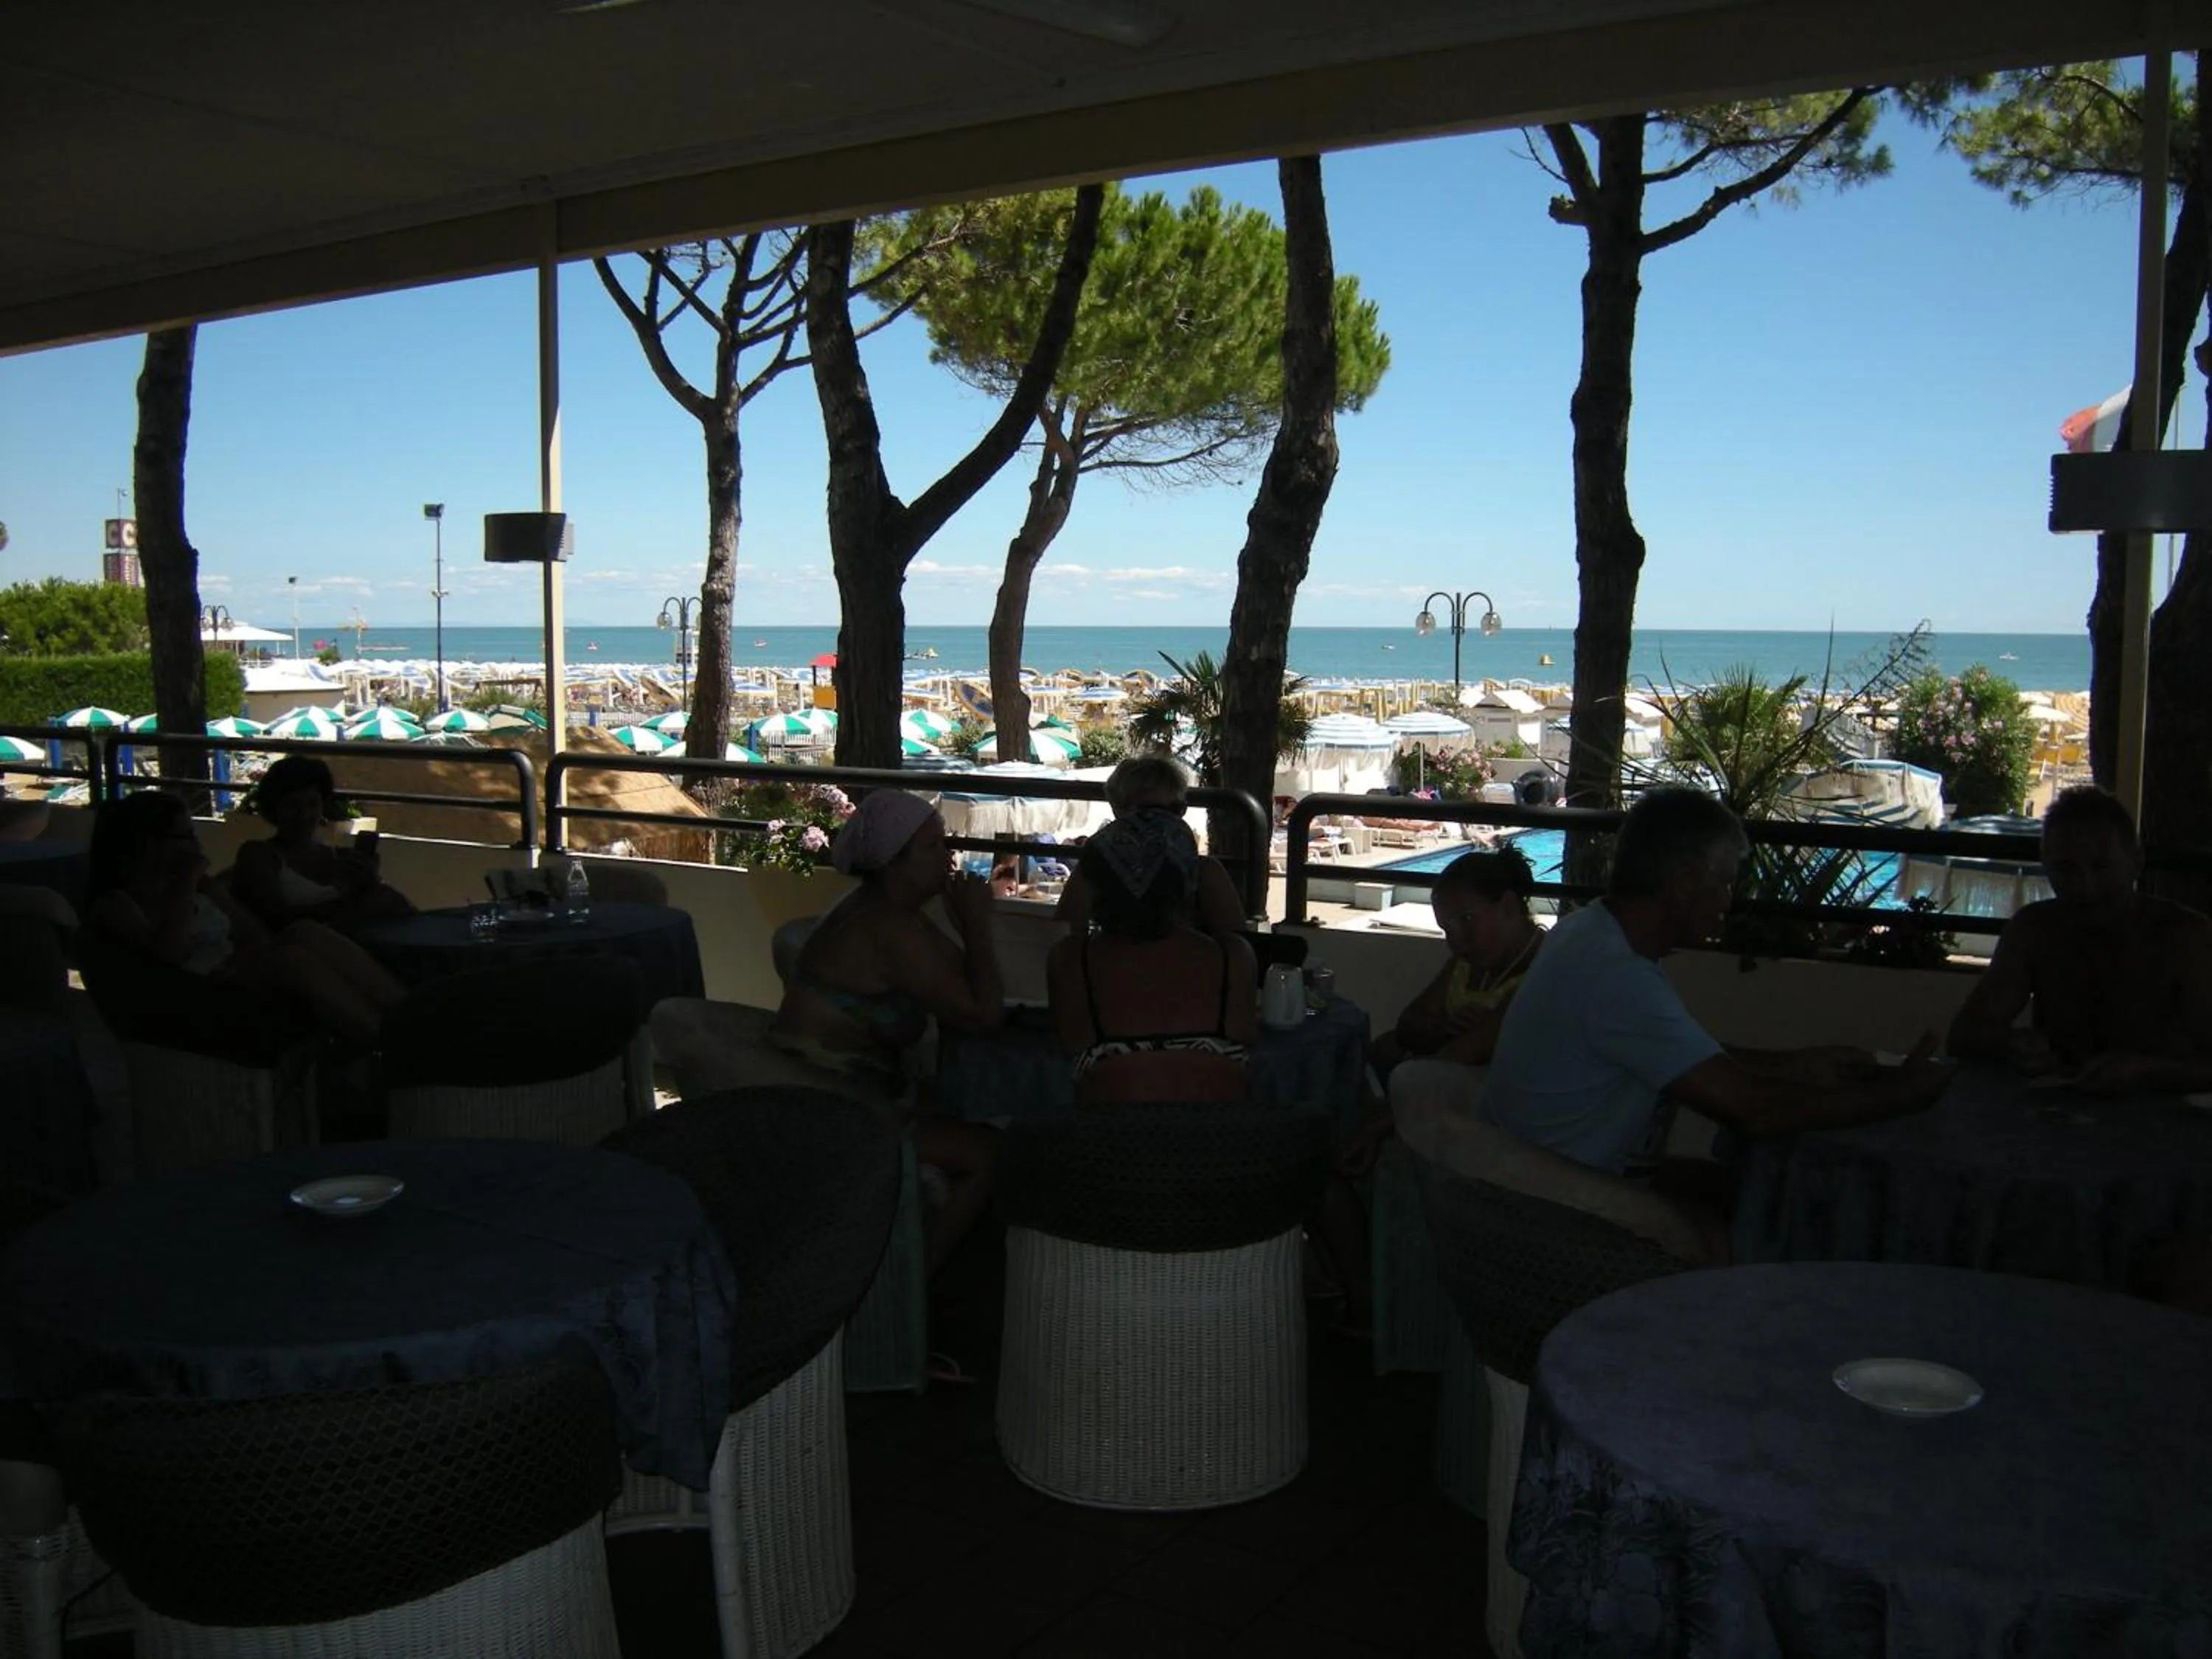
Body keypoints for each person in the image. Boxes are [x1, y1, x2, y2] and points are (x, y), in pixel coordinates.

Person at [1464, 787, 1953, 1258]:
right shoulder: (1615, 974)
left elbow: (1675, 1057)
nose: (1728, 901)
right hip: (1559, 1220)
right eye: (1722, 882)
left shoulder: (1589, 933)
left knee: (1749, 1193)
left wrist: (1796, 1065)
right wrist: (1906, 1092)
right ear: (1682, 884)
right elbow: (1754, 1111)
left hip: (1540, 1182)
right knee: (1782, 1218)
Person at [765, 790, 1004, 1279]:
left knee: (962, 1102)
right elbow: (983, 1015)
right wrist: (978, 927)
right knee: (989, 1152)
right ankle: (914, 1288)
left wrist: (967, 926)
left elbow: (953, 981)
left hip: (831, 1088)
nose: (950, 856)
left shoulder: (876, 909)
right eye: (935, 847)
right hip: (833, 1109)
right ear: (895, 863)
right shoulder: (890, 927)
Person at [85, 790, 406, 1048]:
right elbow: (167, 959)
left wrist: (208, 891)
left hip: (234, 977)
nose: (194, 844)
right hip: (196, 1002)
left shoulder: (202, 887)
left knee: (302, 932)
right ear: (148, 844)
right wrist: (186, 884)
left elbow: (254, 933)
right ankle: (388, 1042)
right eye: (183, 836)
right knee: (290, 960)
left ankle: (406, 1015)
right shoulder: (118, 905)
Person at [1948, 785, 2212, 1093]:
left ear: (2136, 862)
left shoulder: (2184, 938)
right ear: (2047, 868)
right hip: (2056, 1116)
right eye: (2066, 869)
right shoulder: (2034, 929)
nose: (2085, 884)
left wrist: (2148, 1072)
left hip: (2163, 1121)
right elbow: (1963, 1036)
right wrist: (2011, 1043)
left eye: (2101, 866)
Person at [1046, 813, 1256, 1105]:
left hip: (1104, 1147)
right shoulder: (1233, 958)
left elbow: (1067, 1042)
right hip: (1220, 1145)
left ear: (1096, 888)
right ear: (1186, 885)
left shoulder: (1070, 961)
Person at [1055, 754, 1245, 939]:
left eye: (1174, 810)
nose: (1161, 821)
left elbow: (1066, 934)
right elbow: (1237, 946)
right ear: (1118, 809)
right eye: (1148, 812)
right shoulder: (1205, 872)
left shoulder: (1093, 868)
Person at [229, 756, 415, 934]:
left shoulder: (342, 858)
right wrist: (355, 904)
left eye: (312, 804)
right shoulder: (259, 855)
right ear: (274, 808)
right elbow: (277, 921)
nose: (303, 815)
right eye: (292, 805)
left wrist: (370, 884)